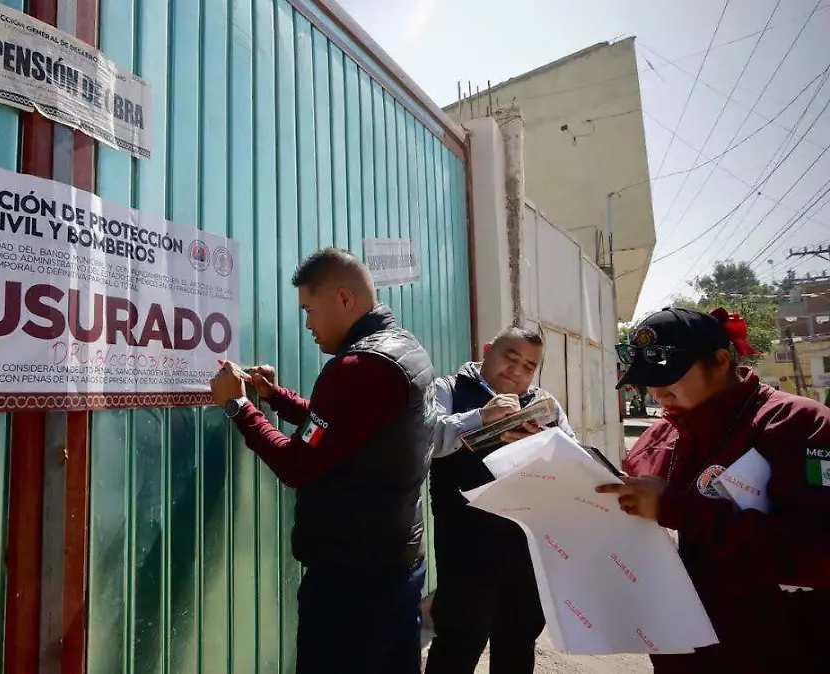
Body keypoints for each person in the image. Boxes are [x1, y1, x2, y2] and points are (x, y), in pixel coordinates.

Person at [209, 248, 434, 674]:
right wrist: (277, 398)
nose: (308, 324)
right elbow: (348, 426)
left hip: (353, 584)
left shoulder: (357, 367)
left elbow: (297, 464)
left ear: (345, 299)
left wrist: (240, 407)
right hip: (397, 568)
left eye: (309, 310)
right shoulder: (402, 348)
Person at [598, 307, 830, 674]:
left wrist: (678, 509)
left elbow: (815, 557)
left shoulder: (797, 424)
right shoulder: (655, 440)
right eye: (647, 380)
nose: (657, 392)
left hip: (777, 654)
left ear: (721, 361)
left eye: (669, 376)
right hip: (678, 655)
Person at [422, 327, 574, 674]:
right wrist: (480, 418)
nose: (518, 370)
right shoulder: (449, 389)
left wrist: (547, 441)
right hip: (465, 543)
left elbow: (573, 456)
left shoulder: (543, 403)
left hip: (526, 545)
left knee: (518, 639)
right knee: (460, 639)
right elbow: (426, 438)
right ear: (488, 350)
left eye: (529, 365)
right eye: (511, 357)